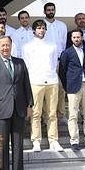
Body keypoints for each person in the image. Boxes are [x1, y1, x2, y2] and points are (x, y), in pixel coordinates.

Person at [0, 36, 33, 170]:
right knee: (3, 145)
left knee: (18, 144)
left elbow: (26, 84)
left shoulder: (20, 62)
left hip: (19, 109)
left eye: (8, 45)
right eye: (2, 45)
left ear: (12, 46)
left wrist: (30, 104)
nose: (5, 48)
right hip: (1, 110)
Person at [22, 20, 62, 152]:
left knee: (51, 113)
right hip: (35, 81)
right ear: (34, 31)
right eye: (39, 28)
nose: (41, 30)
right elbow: (26, 66)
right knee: (36, 113)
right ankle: (36, 141)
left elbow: (54, 64)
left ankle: (53, 140)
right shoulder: (27, 46)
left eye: (43, 28)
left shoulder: (52, 45)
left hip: (51, 81)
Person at [43, 2, 68, 124]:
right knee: (46, 88)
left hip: (60, 61)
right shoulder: (41, 25)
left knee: (61, 88)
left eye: (52, 9)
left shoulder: (62, 25)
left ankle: (61, 114)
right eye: (48, 10)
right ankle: (46, 115)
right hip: (47, 61)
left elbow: (63, 44)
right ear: (44, 12)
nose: (50, 11)